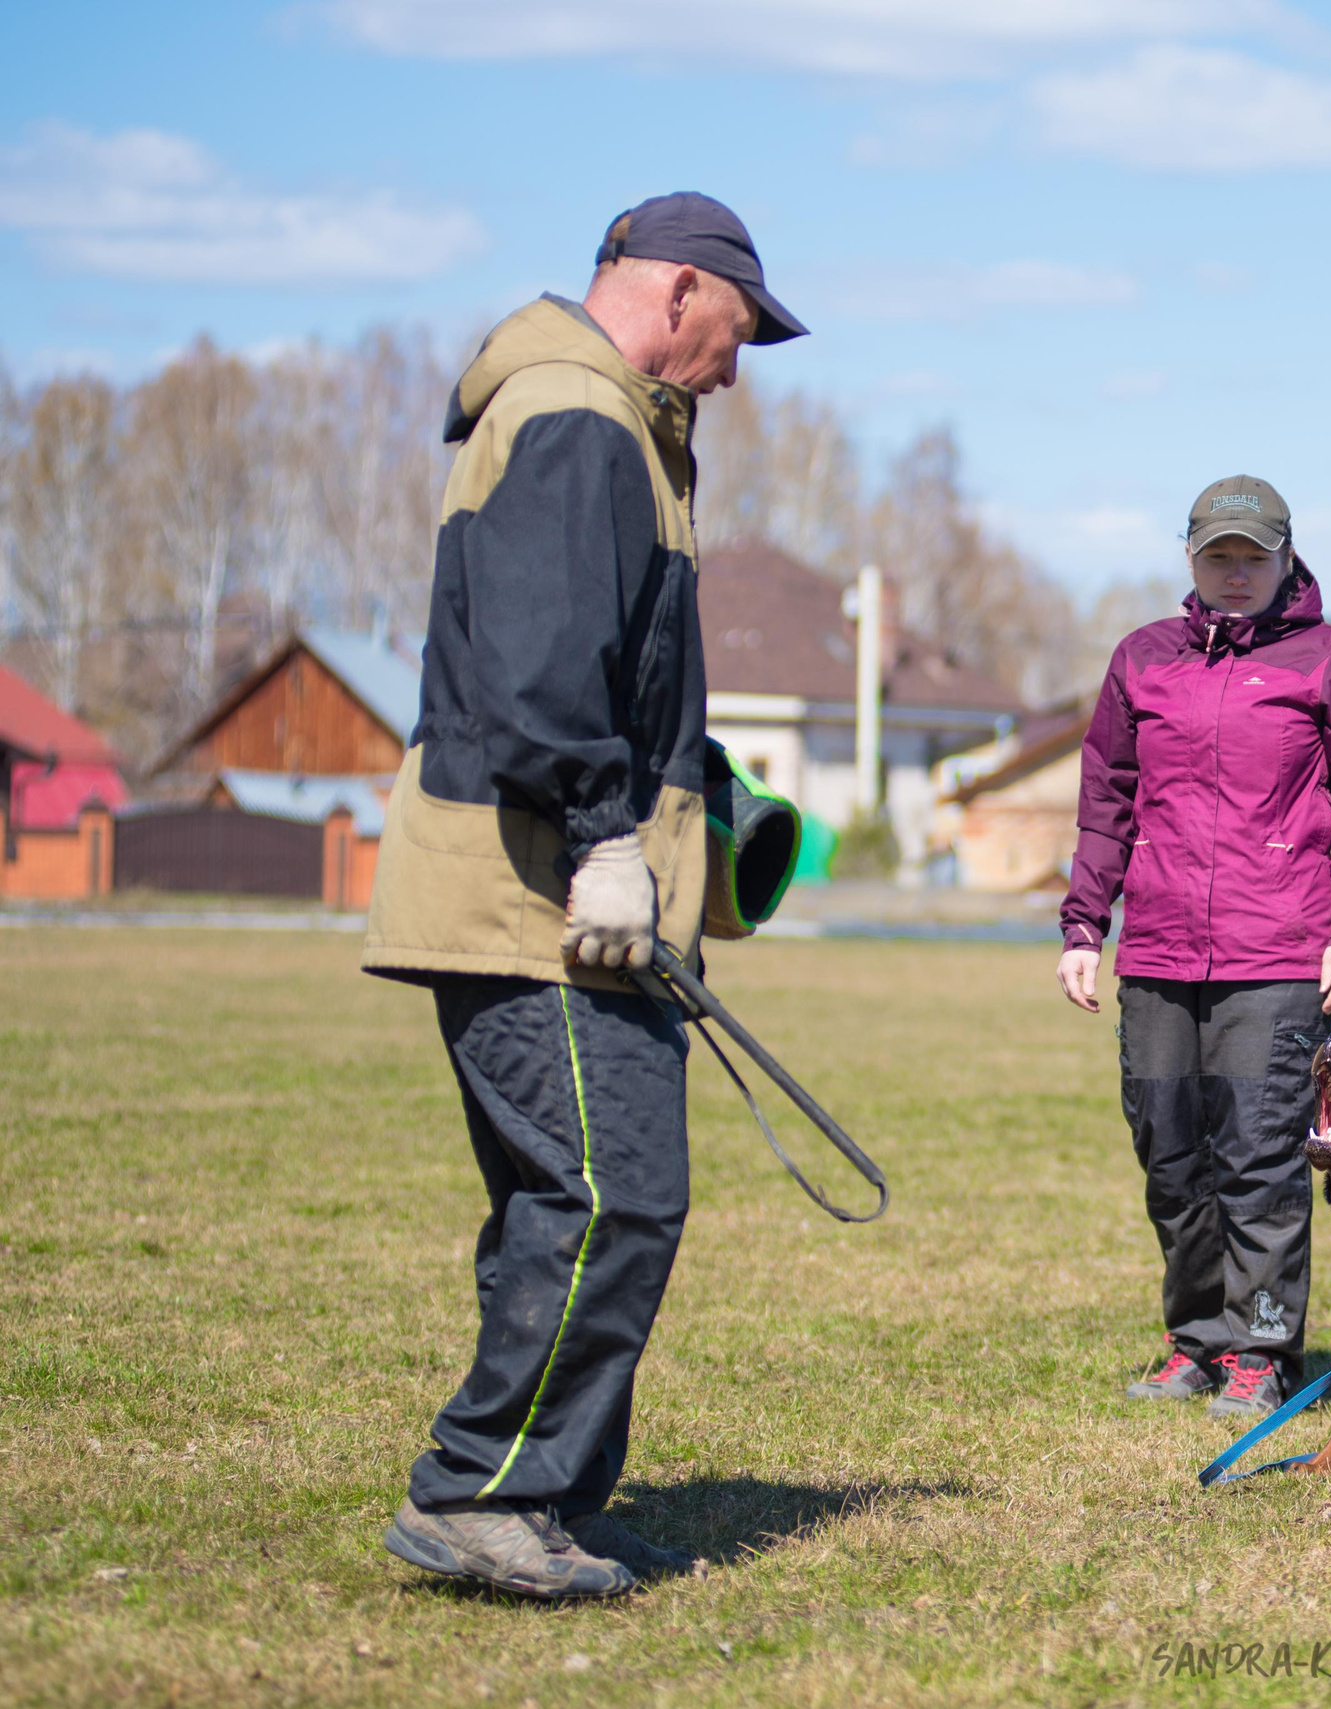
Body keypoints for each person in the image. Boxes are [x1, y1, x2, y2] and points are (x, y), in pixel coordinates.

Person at [362, 193, 807, 1598]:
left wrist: (702, 795)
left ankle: (549, 1499)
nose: (737, 371)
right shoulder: (576, 411)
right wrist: (609, 832)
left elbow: (615, 665)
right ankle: (483, 1491)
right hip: (539, 894)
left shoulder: (613, 423)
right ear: (678, 293)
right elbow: (547, 659)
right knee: (612, 1196)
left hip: (570, 890)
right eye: (737, 335)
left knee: (576, 1201)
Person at [1057, 476, 1331, 1422]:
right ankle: (1195, 1340)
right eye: (1220, 556)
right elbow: (1106, 804)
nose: (1237, 573)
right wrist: (1085, 923)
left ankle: (1259, 1349)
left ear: (1288, 557)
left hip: (1280, 950)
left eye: (1255, 556)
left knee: (1257, 1156)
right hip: (1160, 952)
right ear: (1190, 560)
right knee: (1170, 1155)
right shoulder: (1142, 660)